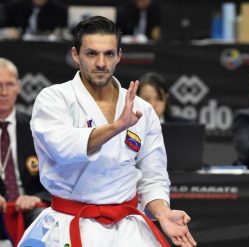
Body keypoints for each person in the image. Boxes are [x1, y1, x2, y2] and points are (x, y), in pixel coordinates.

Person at [18, 16, 196, 247]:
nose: (101, 63)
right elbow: (63, 148)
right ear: (75, 55)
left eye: (109, 54)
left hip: (129, 229)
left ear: (119, 56)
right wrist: (115, 127)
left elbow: (153, 177)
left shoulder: (142, 109)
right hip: (71, 223)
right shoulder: (54, 99)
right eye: (92, 53)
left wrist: (162, 213)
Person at [0, 57, 50, 228]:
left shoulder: (36, 127)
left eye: (10, 84)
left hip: (30, 208)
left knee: (43, 216)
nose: (4, 92)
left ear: (19, 87)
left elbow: (58, 173)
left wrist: (38, 197)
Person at [1, 0, 67, 36]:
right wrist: (8, 32)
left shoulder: (60, 10)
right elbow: (4, 28)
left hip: (47, 48)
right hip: (19, 45)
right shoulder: (15, 7)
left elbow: (64, 32)